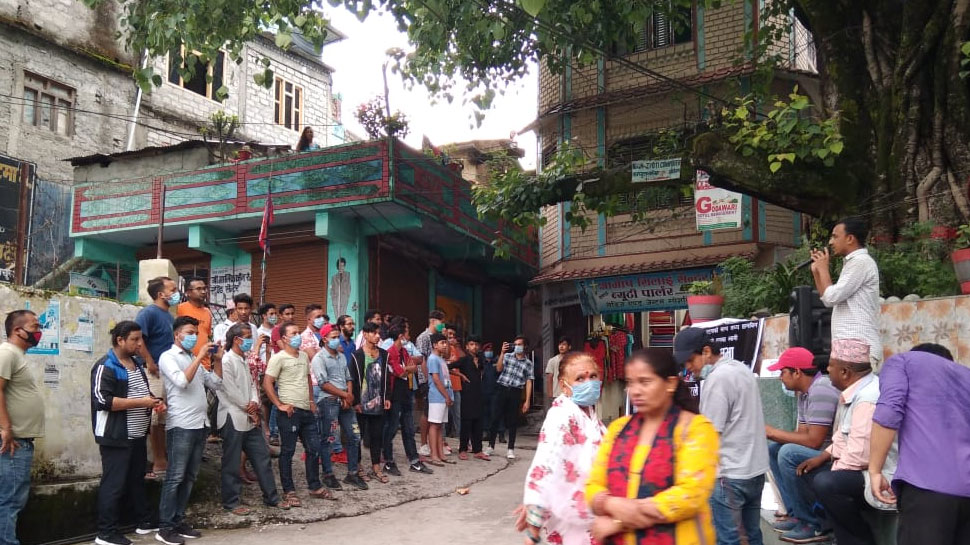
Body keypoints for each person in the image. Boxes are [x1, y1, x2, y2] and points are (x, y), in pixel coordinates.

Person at [586, 349, 719, 545]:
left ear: (671, 383)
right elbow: (593, 484)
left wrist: (620, 521)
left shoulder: (695, 429)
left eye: (645, 382)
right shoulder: (618, 429)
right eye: (630, 383)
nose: (635, 391)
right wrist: (607, 502)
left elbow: (690, 495)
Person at [673, 327, 769, 545]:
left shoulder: (718, 379)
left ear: (706, 351)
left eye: (690, 360)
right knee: (752, 535)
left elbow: (709, 433)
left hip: (730, 473)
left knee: (729, 539)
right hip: (754, 469)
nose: (689, 368)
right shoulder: (740, 369)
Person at [869, 344, 970, 545]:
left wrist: (875, 470)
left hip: (926, 489)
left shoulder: (903, 362)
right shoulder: (966, 375)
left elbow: (889, 412)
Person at [796, 339, 881, 545]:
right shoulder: (853, 391)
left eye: (831, 365)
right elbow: (843, 438)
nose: (827, 369)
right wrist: (822, 458)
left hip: (878, 475)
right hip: (858, 468)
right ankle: (835, 534)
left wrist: (832, 470)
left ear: (845, 372)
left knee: (826, 483)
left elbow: (859, 456)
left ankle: (860, 538)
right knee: (808, 471)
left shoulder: (868, 397)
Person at [515, 352, 606, 544]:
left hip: (594, 513)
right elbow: (547, 464)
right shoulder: (561, 416)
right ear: (564, 386)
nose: (588, 383)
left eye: (593, 376)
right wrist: (534, 525)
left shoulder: (590, 415)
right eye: (580, 378)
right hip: (572, 517)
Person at [92, 321, 164, 545]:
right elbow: (102, 400)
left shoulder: (135, 364)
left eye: (140, 339)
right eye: (134, 339)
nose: (139, 343)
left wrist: (153, 401)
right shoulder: (106, 366)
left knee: (136, 480)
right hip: (116, 436)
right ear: (120, 340)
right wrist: (141, 401)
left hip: (136, 434)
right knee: (113, 484)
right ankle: (106, 532)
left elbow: (140, 392)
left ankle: (143, 521)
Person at [156, 316, 223, 545]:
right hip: (181, 425)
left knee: (190, 476)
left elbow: (215, 383)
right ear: (177, 335)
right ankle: (164, 526)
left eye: (196, 331)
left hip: (200, 424)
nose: (194, 336)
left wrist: (218, 360)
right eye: (190, 332)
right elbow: (181, 382)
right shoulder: (168, 357)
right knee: (175, 477)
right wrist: (201, 357)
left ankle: (178, 519)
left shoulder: (193, 357)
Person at [764, 347, 840, 542]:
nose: (780, 377)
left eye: (783, 372)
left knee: (787, 452)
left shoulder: (821, 389)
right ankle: (795, 514)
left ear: (797, 372)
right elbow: (801, 434)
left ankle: (812, 523)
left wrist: (771, 432)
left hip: (834, 454)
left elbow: (814, 441)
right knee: (774, 450)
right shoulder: (805, 392)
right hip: (819, 450)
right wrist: (773, 436)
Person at [217, 324, 287, 515]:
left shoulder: (245, 359)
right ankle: (231, 502)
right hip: (233, 416)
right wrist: (249, 406)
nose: (249, 341)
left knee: (262, 457)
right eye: (246, 337)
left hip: (250, 415)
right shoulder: (227, 360)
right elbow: (229, 389)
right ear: (236, 339)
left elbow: (253, 384)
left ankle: (272, 498)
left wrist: (254, 404)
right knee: (231, 462)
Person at [264, 321, 332, 506]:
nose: (297, 336)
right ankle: (289, 490)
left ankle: (314, 486)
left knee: (313, 448)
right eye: (293, 333)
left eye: (298, 333)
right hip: (289, 412)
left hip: (306, 410)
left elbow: (308, 378)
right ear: (284, 338)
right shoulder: (278, 358)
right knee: (288, 451)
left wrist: (311, 401)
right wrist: (279, 404)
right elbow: (267, 383)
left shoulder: (303, 356)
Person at [810, 217, 881, 366]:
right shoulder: (853, 263)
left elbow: (832, 296)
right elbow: (827, 300)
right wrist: (817, 271)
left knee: (856, 389)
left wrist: (823, 269)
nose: (830, 242)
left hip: (858, 345)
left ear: (850, 238)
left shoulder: (861, 262)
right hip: (848, 345)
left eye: (835, 236)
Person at [0, 310, 44, 545]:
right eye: (35, 326)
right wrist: (6, 428)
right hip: (14, 440)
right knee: (11, 498)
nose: (39, 331)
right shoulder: (7, 353)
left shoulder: (16, 355)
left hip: (20, 439)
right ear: (18, 330)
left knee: (11, 497)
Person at [311, 325, 368, 490]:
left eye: (338, 337)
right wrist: (345, 395)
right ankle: (328, 474)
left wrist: (348, 395)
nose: (337, 340)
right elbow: (323, 384)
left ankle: (352, 473)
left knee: (354, 435)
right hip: (328, 400)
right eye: (333, 337)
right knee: (328, 438)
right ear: (324, 339)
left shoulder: (342, 357)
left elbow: (349, 377)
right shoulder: (319, 358)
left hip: (345, 400)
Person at [135, 276, 178, 480]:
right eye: (173, 289)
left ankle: (163, 457)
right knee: (154, 416)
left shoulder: (169, 316)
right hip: (154, 372)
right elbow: (138, 339)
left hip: (167, 372)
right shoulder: (148, 313)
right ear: (161, 294)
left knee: (163, 418)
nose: (177, 292)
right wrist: (150, 362)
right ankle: (158, 460)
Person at [381, 322, 433, 475]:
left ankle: (414, 461)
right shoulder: (390, 352)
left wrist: (408, 368)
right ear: (400, 336)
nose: (408, 336)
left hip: (406, 392)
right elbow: (400, 372)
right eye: (406, 333)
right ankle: (388, 462)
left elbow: (413, 367)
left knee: (408, 428)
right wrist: (408, 369)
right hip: (394, 394)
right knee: (391, 428)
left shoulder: (403, 351)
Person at [349, 322, 391, 481]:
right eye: (373, 333)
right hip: (362, 403)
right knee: (358, 436)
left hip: (379, 402)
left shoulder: (384, 354)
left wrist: (387, 397)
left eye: (378, 333)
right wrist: (355, 402)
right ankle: (358, 466)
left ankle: (376, 466)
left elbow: (387, 378)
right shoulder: (356, 355)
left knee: (377, 435)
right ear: (365, 335)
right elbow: (352, 379)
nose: (377, 336)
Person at [486, 335, 534, 460]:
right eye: (515, 344)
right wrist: (502, 352)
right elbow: (498, 368)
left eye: (519, 344)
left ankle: (510, 448)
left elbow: (529, 381)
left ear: (525, 346)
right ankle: (491, 445)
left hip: (515, 390)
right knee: (495, 417)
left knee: (512, 420)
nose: (516, 347)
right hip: (502, 388)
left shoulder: (528, 363)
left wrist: (527, 401)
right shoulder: (507, 356)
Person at [415, 310, 445, 457]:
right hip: (426, 379)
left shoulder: (438, 338)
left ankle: (436, 445)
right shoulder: (423, 337)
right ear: (433, 321)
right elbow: (422, 360)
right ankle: (423, 444)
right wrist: (428, 380)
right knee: (427, 411)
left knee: (435, 414)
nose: (442, 324)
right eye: (441, 321)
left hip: (436, 378)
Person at [456, 335, 488, 461]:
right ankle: (463, 449)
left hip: (478, 393)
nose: (474, 347)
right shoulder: (464, 360)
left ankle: (478, 449)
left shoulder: (480, 359)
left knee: (478, 422)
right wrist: (460, 375)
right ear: (467, 346)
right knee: (466, 422)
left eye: (476, 344)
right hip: (467, 394)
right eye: (471, 344)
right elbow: (449, 366)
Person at [425, 333, 453, 466]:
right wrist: (446, 395)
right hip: (437, 397)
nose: (445, 345)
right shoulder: (432, 359)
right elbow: (436, 379)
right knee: (434, 424)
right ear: (435, 345)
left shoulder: (441, 359)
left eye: (445, 342)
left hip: (444, 397)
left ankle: (440, 453)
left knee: (440, 426)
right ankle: (434, 454)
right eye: (442, 342)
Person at [254, 303, 277, 437]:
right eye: (271, 314)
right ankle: (266, 427)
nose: (274, 317)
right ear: (264, 316)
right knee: (265, 401)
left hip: (278, 369)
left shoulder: (278, 331)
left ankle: (274, 429)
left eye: (275, 314)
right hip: (265, 370)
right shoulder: (258, 333)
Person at [444, 324, 466, 441]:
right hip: (446, 383)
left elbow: (463, 358)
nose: (451, 337)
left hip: (456, 384)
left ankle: (459, 437)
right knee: (445, 413)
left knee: (457, 413)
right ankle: (444, 437)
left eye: (453, 335)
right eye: (449, 334)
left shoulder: (456, 348)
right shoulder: (442, 347)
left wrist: (457, 346)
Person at [481, 342, 506, 444]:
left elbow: (500, 369)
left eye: (490, 350)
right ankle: (486, 432)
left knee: (497, 413)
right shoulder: (481, 362)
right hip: (484, 390)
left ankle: (501, 434)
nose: (489, 352)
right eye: (487, 351)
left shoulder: (497, 360)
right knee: (485, 412)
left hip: (496, 391)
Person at [544, 337, 571, 405]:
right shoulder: (552, 361)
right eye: (560, 344)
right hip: (556, 394)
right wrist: (550, 394)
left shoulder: (573, 360)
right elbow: (549, 378)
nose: (561, 347)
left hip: (570, 394)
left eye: (564, 344)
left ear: (569, 347)